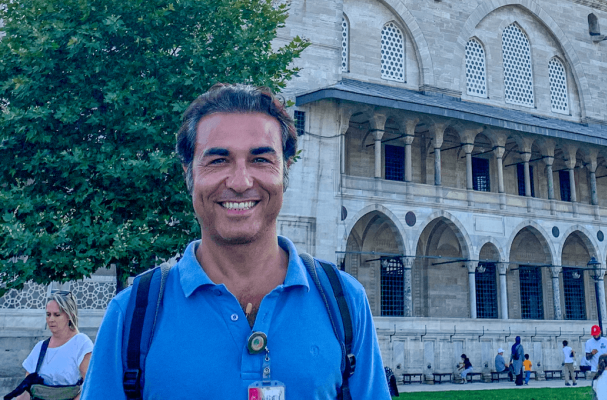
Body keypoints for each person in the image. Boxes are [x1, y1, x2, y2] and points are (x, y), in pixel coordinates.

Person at [80, 84, 389, 398]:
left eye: (260, 159)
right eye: (218, 161)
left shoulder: (344, 303)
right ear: (189, 173)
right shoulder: (132, 314)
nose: (240, 182)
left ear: (285, 170)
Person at [6, 291, 93, 400]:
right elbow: (27, 389)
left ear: (69, 315)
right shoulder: (40, 348)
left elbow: (90, 385)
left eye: (57, 315)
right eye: (48, 314)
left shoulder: (81, 343)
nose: (51, 319)